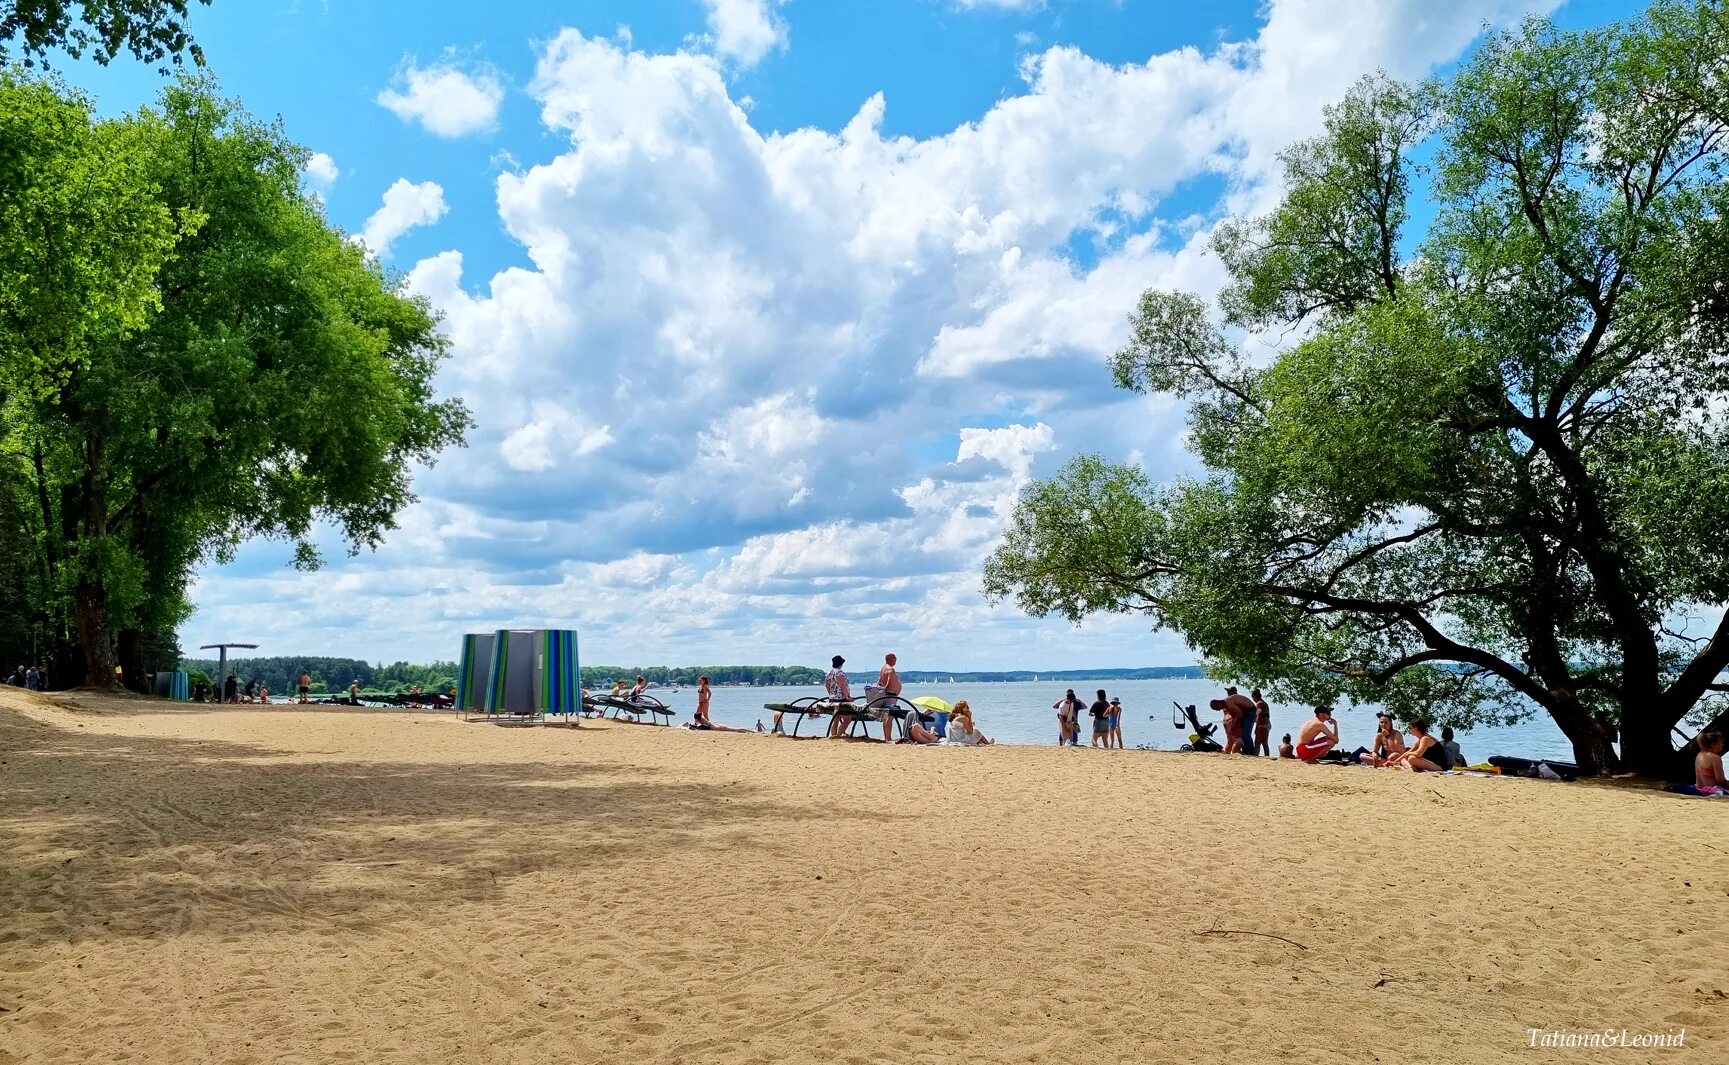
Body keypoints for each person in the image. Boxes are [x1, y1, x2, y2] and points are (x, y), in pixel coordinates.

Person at [862, 652, 901, 743]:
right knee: (890, 716)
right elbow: (887, 684)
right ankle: (888, 738)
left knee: (885, 716)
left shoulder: (883, 669)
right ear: (890, 659)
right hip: (890, 695)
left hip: (887, 695)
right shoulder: (890, 670)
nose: (896, 660)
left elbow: (879, 681)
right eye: (895, 658)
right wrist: (885, 688)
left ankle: (886, 737)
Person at [823, 655, 855, 738]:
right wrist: (848, 696)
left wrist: (831, 694)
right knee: (847, 720)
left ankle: (833, 735)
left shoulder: (828, 674)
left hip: (832, 698)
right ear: (840, 664)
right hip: (841, 699)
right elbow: (843, 686)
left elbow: (826, 685)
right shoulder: (840, 673)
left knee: (836, 718)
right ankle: (838, 736)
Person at [1227, 686, 1257, 757]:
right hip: (1246, 713)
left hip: (1250, 712)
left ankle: (1252, 751)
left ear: (1233, 692)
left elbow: (1239, 713)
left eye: (1229, 692)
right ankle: (1246, 750)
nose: (1227, 693)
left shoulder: (1235, 698)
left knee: (1246, 734)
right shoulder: (1231, 699)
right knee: (1243, 734)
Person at [1252, 689, 1272, 757]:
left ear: (1254, 697)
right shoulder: (1265, 703)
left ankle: (1256, 756)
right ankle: (1267, 756)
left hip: (1262, 725)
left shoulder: (1259, 703)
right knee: (1264, 742)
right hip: (1267, 724)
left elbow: (1257, 714)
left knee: (1257, 742)